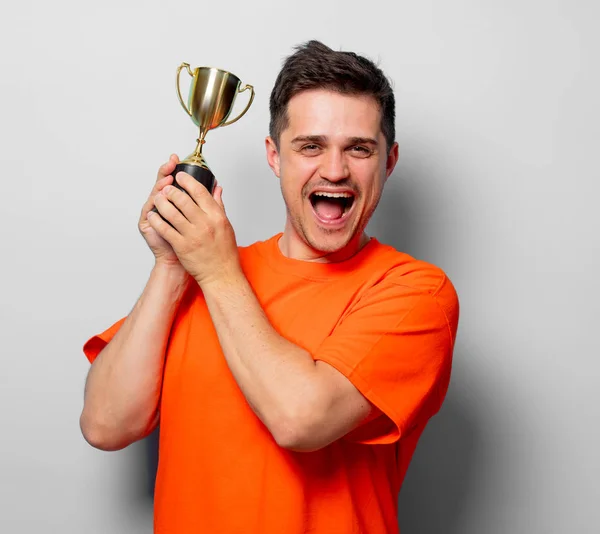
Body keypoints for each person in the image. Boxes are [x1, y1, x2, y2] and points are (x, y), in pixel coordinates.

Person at [80, 40, 459, 534]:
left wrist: (214, 271)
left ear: (389, 162)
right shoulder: (203, 271)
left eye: (359, 148)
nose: (335, 170)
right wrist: (174, 268)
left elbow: (302, 419)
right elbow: (106, 425)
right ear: (274, 156)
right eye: (310, 146)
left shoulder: (416, 293)